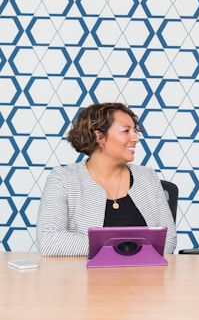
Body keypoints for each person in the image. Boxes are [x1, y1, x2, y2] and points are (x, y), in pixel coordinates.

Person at [36, 102, 177, 256]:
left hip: (145, 277)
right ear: (99, 137)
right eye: (126, 131)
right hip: (85, 279)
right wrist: (124, 246)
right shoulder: (63, 179)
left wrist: (108, 245)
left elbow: (168, 240)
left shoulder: (148, 177)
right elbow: (48, 240)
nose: (135, 138)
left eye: (134, 131)